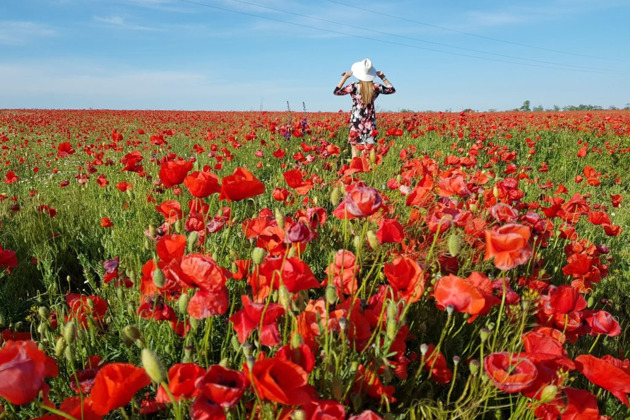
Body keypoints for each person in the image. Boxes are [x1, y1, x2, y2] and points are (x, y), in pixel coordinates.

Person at [334, 58, 395, 157]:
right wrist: (383, 77)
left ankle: (355, 172)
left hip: (356, 123)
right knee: (368, 154)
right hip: (370, 124)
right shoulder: (375, 87)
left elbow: (336, 92)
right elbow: (392, 90)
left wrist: (345, 77)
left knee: (355, 153)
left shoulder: (353, 86)